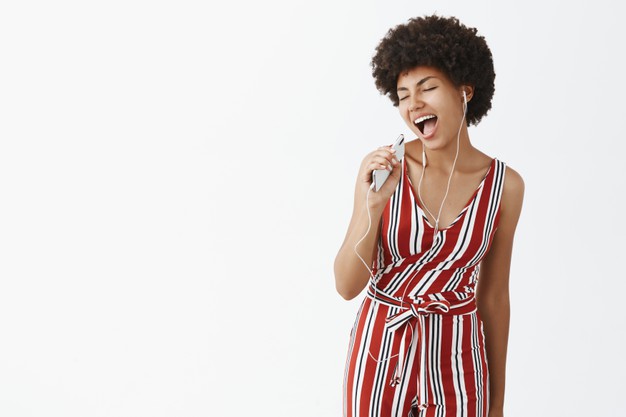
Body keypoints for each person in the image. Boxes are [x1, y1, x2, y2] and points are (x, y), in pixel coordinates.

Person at [334, 15, 524, 417]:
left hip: (460, 366)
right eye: (403, 95)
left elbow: (493, 299)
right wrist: (371, 204)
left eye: (428, 88)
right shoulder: (384, 171)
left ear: (464, 91)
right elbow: (347, 285)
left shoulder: (505, 186)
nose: (413, 104)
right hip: (380, 357)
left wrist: (497, 402)